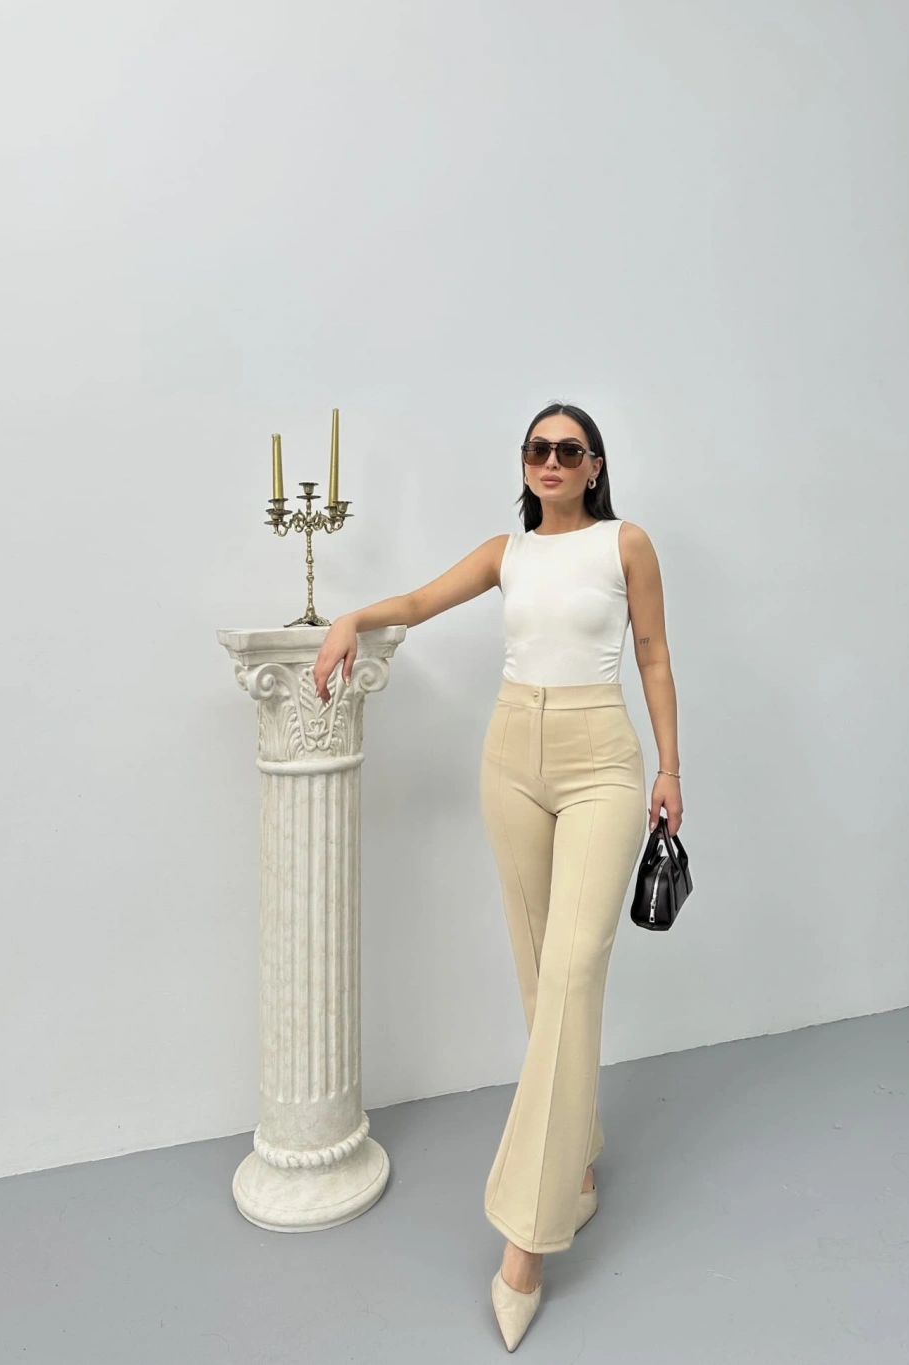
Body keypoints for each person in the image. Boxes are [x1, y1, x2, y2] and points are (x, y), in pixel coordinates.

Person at [311, 401, 682, 1350]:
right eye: (537, 449)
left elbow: (652, 654)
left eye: (568, 449)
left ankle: (527, 1235)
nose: (551, 460)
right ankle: (577, 1154)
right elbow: (418, 603)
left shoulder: (625, 544)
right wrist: (351, 615)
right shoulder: (505, 552)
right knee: (535, 968)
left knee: (572, 969)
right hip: (511, 753)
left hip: (601, 757)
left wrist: (670, 769)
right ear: (525, 465)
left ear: (594, 465)